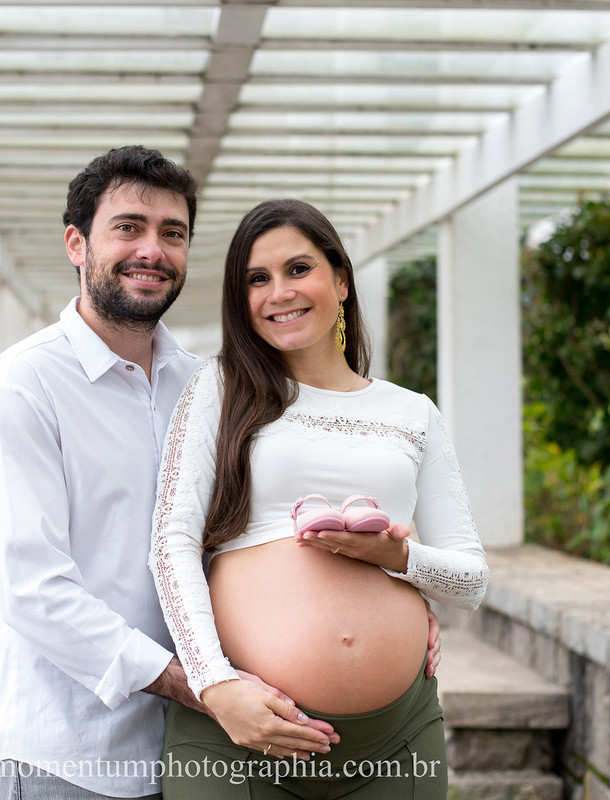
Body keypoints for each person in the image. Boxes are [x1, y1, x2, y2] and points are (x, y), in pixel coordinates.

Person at [0, 148, 362, 800]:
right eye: (128, 227)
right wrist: (200, 683)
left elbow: (256, 535)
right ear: (75, 244)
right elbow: (32, 591)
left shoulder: (209, 387)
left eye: (172, 233)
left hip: (198, 757)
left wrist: (391, 603)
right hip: (67, 759)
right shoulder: (20, 389)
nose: (153, 249)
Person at [149, 199, 490, 798]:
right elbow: (171, 545)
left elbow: (471, 582)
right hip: (239, 739)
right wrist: (213, 684)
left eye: (298, 269)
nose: (279, 292)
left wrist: (399, 561)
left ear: (341, 280)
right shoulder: (219, 387)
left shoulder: (413, 412)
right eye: (258, 279)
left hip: (397, 739)